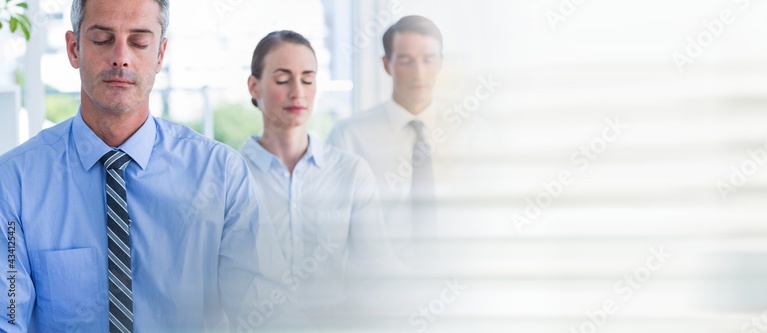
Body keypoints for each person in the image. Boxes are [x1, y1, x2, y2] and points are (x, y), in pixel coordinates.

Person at [0, 0, 300, 331]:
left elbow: (268, 319)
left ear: (159, 55)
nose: (120, 57)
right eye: (102, 39)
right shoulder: (14, 182)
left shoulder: (222, 175)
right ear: (74, 49)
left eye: (140, 42)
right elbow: (7, 318)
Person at [239, 30, 401, 325]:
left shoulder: (351, 172)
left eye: (308, 79)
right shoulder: (232, 175)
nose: (297, 92)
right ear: (254, 87)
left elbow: (376, 270)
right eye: (282, 79)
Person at [325, 15, 448, 266]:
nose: (419, 72)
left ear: (441, 63)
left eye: (428, 60)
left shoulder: (474, 133)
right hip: (380, 291)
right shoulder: (348, 137)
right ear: (386, 64)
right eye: (405, 61)